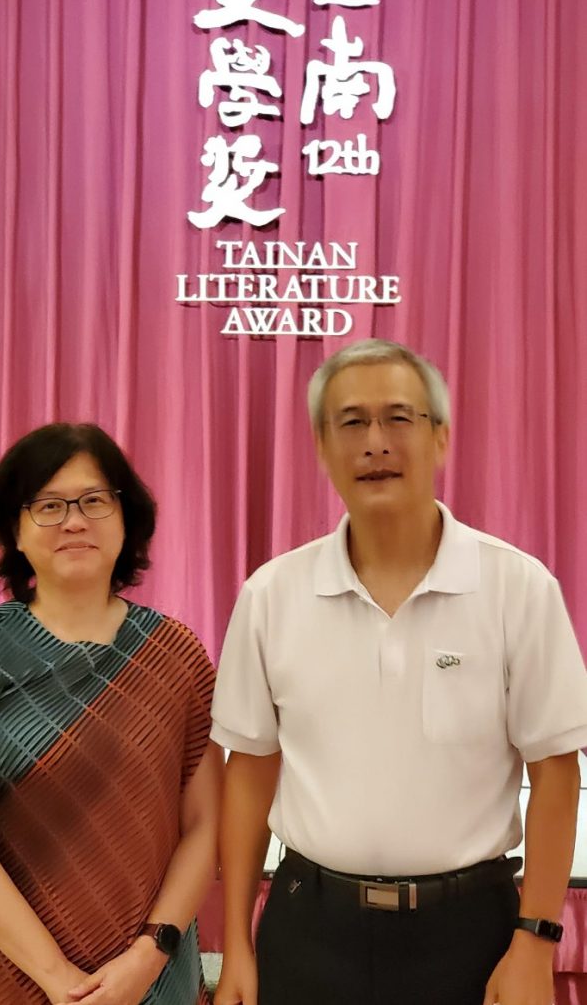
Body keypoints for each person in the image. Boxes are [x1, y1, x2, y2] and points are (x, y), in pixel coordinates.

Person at [211, 339, 587, 1005]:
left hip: (471, 933)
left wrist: (536, 939)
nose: (375, 442)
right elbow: (249, 773)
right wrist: (237, 941)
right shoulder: (271, 596)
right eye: (351, 422)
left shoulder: (519, 588)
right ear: (323, 449)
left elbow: (555, 774)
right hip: (308, 929)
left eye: (400, 418)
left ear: (440, 439)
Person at [0, 422, 222, 1005]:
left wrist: (148, 955)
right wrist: (59, 981)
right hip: (7, 975)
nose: (74, 521)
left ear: (126, 518)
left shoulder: (175, 653)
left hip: (152, 978)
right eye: (49, 505)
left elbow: (205, 825)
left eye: (93, 501)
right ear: (16, 529)